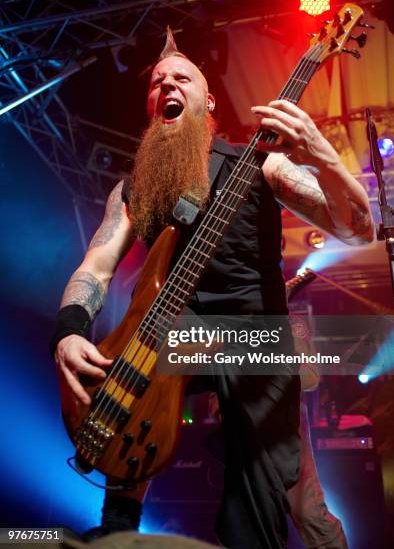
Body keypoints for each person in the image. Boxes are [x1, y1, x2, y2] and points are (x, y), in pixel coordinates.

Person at [51, 29, 374, 548]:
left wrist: (325, 158)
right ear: (151, 106)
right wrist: (68, 332)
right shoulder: (133, 189)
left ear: (210, 101)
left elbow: (358, 228)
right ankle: (116, 529)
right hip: (172, 335)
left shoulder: (263, 163)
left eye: (182, 78)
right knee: (136, 356)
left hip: (255, 339)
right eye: (158, 83)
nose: (168, 85)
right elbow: (96, 266)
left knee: (291, 500)